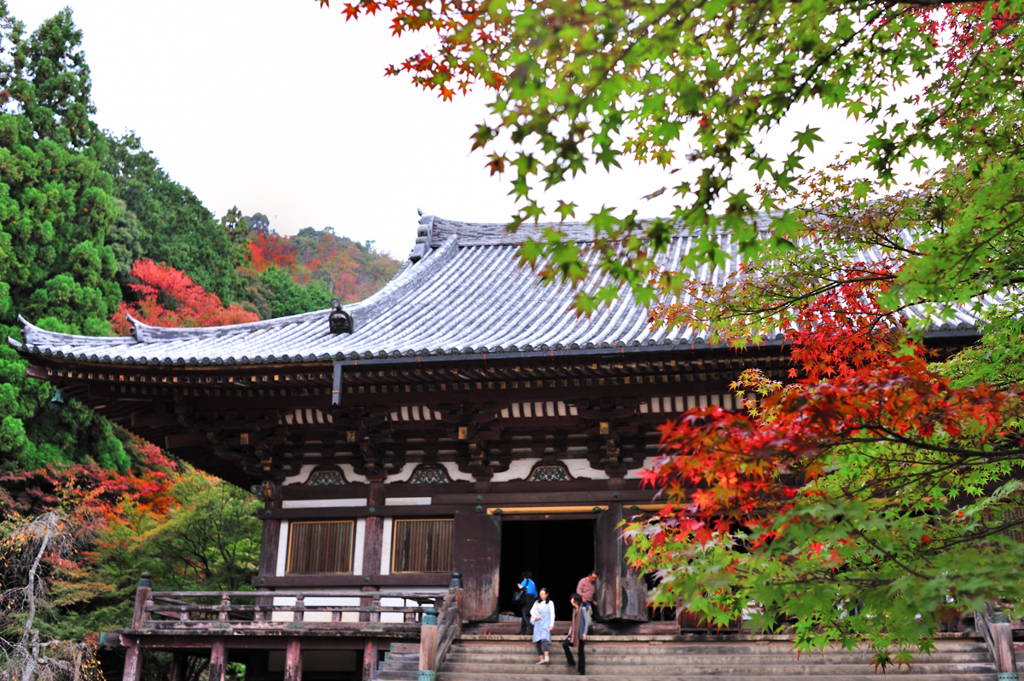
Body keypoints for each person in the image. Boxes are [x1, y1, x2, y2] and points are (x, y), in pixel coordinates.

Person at [562, 592, 588, 675]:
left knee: (580, 653)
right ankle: (571, 661)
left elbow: (586, 622)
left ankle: (581, 671)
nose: (570, 600)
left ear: (576, 600)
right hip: (573, 634)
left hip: (580, 634)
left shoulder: (582, 609)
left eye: (572, 599)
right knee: (565, 644)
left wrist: (584, 633)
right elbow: (573, 622)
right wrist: (570, 632)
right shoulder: (574, 610)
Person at [530, 587, 555, 664]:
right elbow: (531, 611)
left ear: (547, 594)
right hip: (538, 624)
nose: (542, 596)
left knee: (544, 639)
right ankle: (541, 659)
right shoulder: (537, 602)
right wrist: (535, 617)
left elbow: (552, 614)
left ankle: (546, 657)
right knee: (537, 642)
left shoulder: (550, 603)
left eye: (544, 594)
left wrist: (551, 624)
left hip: (546, 624)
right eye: (541, 594)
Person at [517, 571, 538, 635]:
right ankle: (522, 632)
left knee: (526, 616)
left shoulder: (526, 580)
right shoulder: (533, 582)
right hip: (532, 600)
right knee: (525, 616)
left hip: (526, 600)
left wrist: (518, 584)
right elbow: (536, 595)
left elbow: (520, 587)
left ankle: (534, 631)